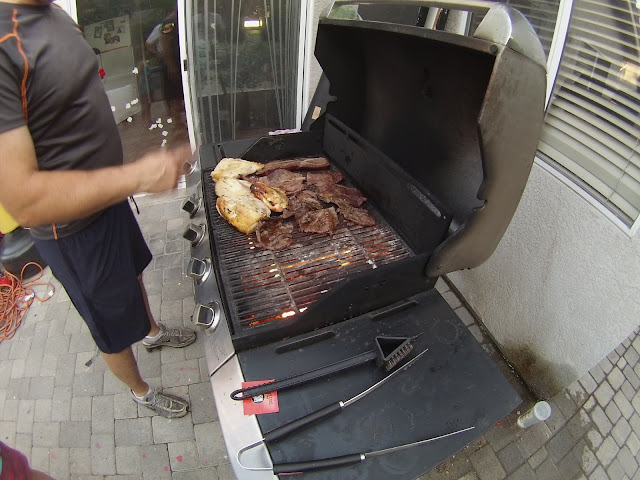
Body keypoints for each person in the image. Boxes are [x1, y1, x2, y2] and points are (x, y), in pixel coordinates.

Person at [0, 0, 196, 418]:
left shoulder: (52, 12)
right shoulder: (4, 43)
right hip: (71, 231)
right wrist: (137, 177)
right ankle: (141, 391)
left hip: (108, 199)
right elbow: (24, 202)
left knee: (133, 272)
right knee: (109, 320)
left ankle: (152, 332)